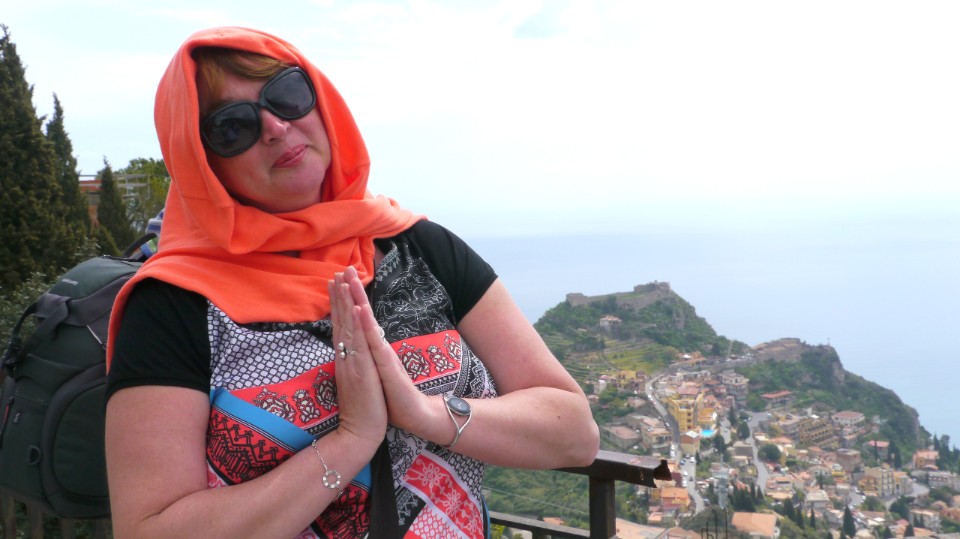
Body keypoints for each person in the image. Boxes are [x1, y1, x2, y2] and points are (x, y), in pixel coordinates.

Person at [104, 26, 599, 539]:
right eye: (233, 127)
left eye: (287, 94)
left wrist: (425, 414)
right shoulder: (173, 303)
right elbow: (148, 529)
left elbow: (575, 432)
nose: (275, 126)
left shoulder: (418, 246)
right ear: (202, 164)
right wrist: (350, 441)